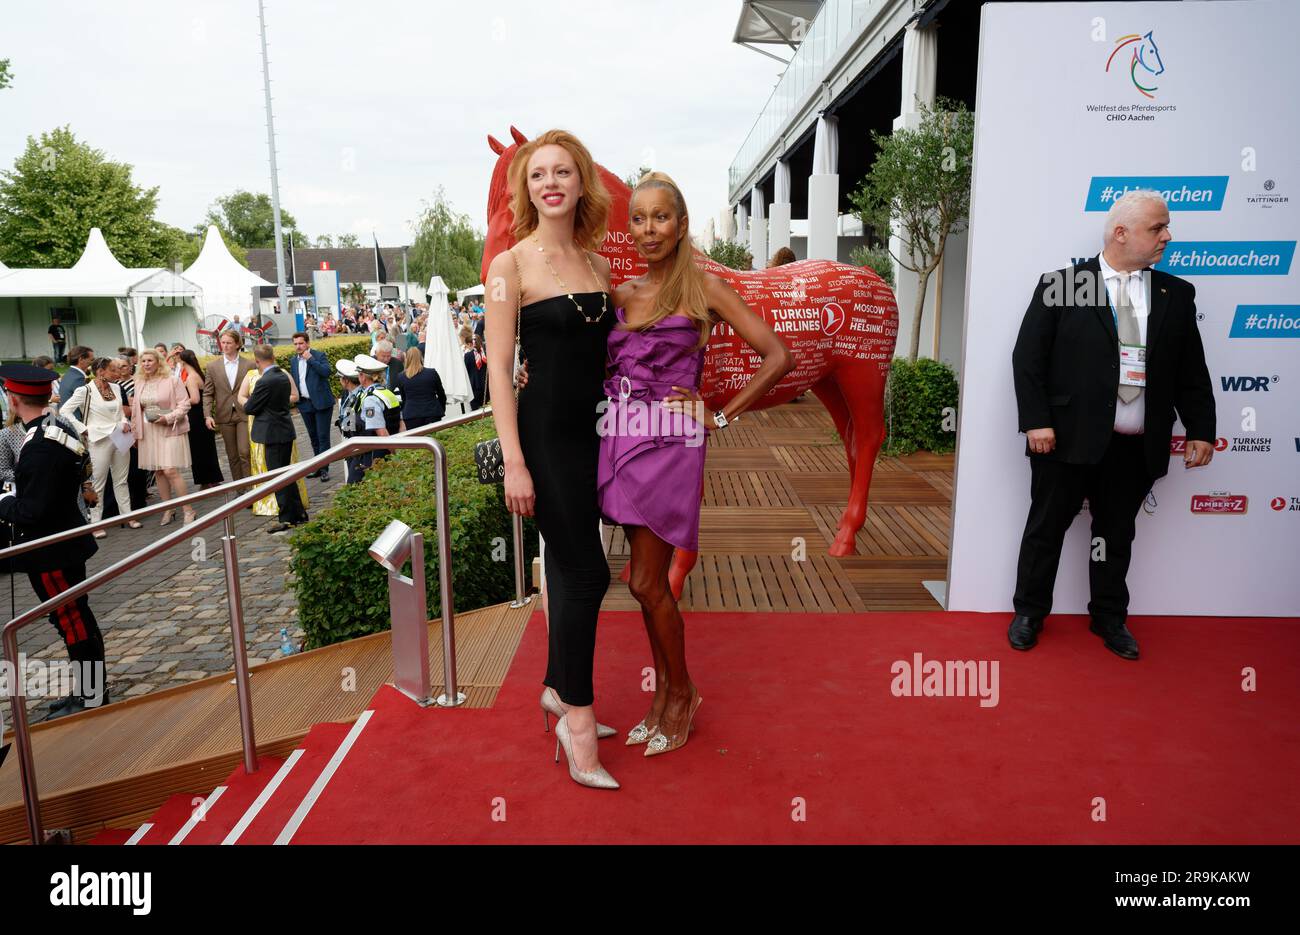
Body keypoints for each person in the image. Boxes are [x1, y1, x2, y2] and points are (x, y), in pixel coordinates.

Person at [599, 172, 793, 756]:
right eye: (638, 218)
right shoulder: (622, 292)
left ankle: (680, 694)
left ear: (681, 225)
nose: (648, 229)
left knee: (646, 581)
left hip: (673, 442)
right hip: (623, 435)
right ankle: (663, 697)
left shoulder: (704, 288)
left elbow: (777, 355)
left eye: (661, 217)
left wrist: (721, 415)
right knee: (642, 584)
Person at [1009, 190, 1216, 660]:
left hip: (1134, 445)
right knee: (1046, 528)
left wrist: (1201, 428)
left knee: (1114, 534)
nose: (1168, 236)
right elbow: (1028, 360)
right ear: (1120, 233)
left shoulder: (1176, 294)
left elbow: (1191, 370)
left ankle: (1108, 617)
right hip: (1065, 440)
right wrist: (1036, 422)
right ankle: (1029, 612)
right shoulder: (1062, 284)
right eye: (1157, 228)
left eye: (1166, 227)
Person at [484, 128, 618, 789]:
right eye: (539, 174)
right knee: (591, 574)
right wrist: (514, 461)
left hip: (597, 437)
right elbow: (501, 373)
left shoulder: (600, 267)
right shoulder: (509, 267)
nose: (551, 183)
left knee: (568, 572)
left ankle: (555, 688)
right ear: (526, 188)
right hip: (544, 441)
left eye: (563, 171)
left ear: (581, 181)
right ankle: (579, 721)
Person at [0, 364, 108, 719]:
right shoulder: (51, 430)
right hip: (60, 543)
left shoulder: (41, 444)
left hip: (51, 549)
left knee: (72, 620)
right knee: (75, 618)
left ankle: (91, 695)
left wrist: (3, 501)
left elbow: (34, 510)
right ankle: (89, 690)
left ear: (14, 400)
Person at [62, 358, 137, 537]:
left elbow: (120, 413)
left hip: (120, 436)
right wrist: (82, 428)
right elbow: (65, 410)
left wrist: (125, 422)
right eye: (113, 370)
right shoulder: (85, 390)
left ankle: (128, 516)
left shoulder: (117, 388)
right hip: (98, 439)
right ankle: (95, 524)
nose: (118, 373)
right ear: (101, 371)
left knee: (121, 480)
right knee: (97, 483)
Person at [241, 345, 309, 534]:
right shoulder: (282, 375)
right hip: (284, 430)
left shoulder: (265, 380)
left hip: (273, 433)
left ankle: (287, 518)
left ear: (257, 361)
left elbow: (250, 408)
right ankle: (299, 514)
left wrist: (249, 403)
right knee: (287, 475)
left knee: (277, 477)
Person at [131, 349, 196, 526]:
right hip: (149, 431)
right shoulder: (139, 382)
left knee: (170, 470)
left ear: (158, 362)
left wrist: (168, 418)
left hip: (169, 428)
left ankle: (188, 509)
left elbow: (185, 404)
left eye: (149, 360)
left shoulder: (172, 380)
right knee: (158, 470)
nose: (146, 364)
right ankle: (169, 508)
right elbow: (137, 411)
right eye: (143, 361)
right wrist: (135, 433)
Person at [202, 329, 254, 481]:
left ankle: (251, 487)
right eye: (223, 342)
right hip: (224, 414)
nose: (225, 346)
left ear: (237, 344)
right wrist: (207, 415)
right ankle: (240, 489)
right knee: (232, 455)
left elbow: (255, 389)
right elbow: (207, 393)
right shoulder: (213, 366)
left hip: (243, 412)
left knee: (244, 452)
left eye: (228, 343)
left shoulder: (249, 364)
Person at [287, 331, 335, 481]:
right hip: (305, 404)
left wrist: (311, 360)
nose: (298, 347)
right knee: (313, 437)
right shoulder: (293, 361)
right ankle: (317, 467)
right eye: (295, 344)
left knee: (323, 437)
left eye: (301, 343)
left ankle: (325, 468)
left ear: (307, 343)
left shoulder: (318, 355)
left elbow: (327, 372)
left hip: (322, 403)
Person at [174, 348, 223, 490]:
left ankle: (205, 480)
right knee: (207, 448)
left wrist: (180, 403)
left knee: (198, 450)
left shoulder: (191, 378)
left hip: (195, 417)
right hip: (202, 415)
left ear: (183, 362)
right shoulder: (198, 374)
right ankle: (212, 478)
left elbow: (195, 399)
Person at [349, 353, 401, 482]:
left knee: (354, 484)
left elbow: (380, 430)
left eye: (359, 374)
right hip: (389, 445)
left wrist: (395, 453)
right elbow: (400, 422)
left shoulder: (371, 399)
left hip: (374, 452)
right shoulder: (387, 392)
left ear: (363, 377)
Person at [391, 346, 446, 430]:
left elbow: (404, 398)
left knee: (417, 441)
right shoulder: (431, 373)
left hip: (411, 414)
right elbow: (441, 394)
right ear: (421, 357)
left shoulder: (401, 376)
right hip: (432, 412)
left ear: (407, 358)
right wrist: (440, 409)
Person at [334, 359, 363, 484]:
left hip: (357, 447)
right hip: (352, 445)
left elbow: (349, 427)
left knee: (353, 482)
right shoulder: (349, 394)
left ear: (346, 380)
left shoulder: (356, 397)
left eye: (340, 378)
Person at [462, 327, 485, 410]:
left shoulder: (468, 355)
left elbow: (466, 371)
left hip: (475, 386)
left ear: (470, 344)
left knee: (475, 409)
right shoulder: (485, 353)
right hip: (487, 384)